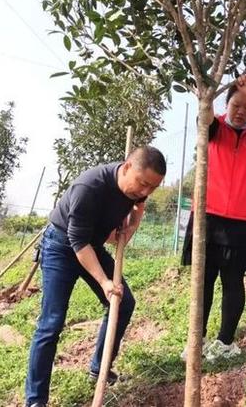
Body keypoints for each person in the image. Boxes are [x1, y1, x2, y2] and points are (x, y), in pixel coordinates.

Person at [24, 146, 166, 407]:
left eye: (152, 189)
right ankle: (35, 400)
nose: (145, 192)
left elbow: (120, 234)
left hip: (93, 246)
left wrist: (135, 219)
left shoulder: (136, 190)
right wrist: (104, 282)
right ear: (126, 168)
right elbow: (77, 241)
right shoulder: (89, 187)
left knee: (123, 304)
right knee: (51, 324)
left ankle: (100, 368)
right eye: (143, 184)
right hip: (61, 246)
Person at [181, 74, 246, 361]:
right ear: (226, 104)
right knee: (204, 281)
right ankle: (196, 341)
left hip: (241, 222)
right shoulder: (214, 128)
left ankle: (225, 342)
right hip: (207, 218)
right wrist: (206, 94)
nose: (241, 111)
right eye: (237, 104)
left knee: (233, 281)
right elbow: (205, 117)